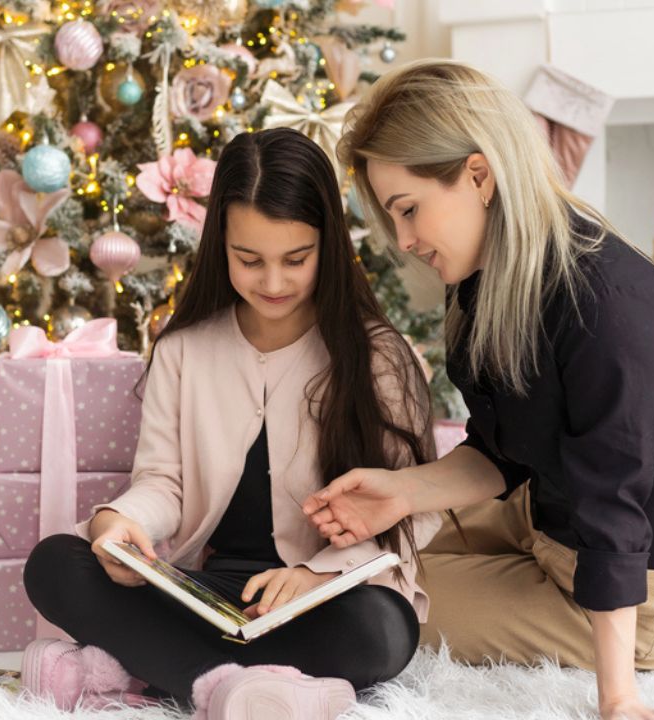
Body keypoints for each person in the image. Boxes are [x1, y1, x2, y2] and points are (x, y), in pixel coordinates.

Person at [303, 60, 654, 720]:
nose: (406, 241)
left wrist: (617, 699)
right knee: (367, 549)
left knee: (366, 598)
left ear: (479, 175)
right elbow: (503, 450)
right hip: (545, 518)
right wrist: (404, 492)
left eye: (409, 211)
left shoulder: (607, 308)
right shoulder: (486, 278)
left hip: (649, 595)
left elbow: (613, 506)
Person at [22, 127, 440, 719]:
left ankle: (135, 669)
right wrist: (120, 521)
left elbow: (417, 506)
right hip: (208, 593)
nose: (273, 283)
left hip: (331, 596)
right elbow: (163, 483)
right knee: (55, 563)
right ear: (221, 244)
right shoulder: (185, 350)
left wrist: (315, 575)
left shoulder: (380, 358)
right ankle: (223, 687)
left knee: (381, 630)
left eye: (296, 259)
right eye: (250, 260)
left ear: (330, 244)